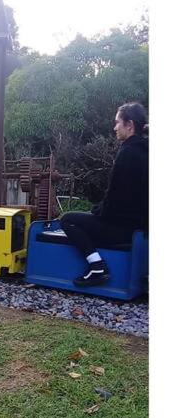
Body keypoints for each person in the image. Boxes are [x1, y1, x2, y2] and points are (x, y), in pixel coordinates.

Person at [61, 102, 149, 286]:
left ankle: (97, 267)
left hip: (121, 229)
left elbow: (115, 198)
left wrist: (97, 212)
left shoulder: (127, 153)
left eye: (118, 123)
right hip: (139, 226)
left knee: (68, 219)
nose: (114, 127)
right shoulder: (146, 150)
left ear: (129, 125)